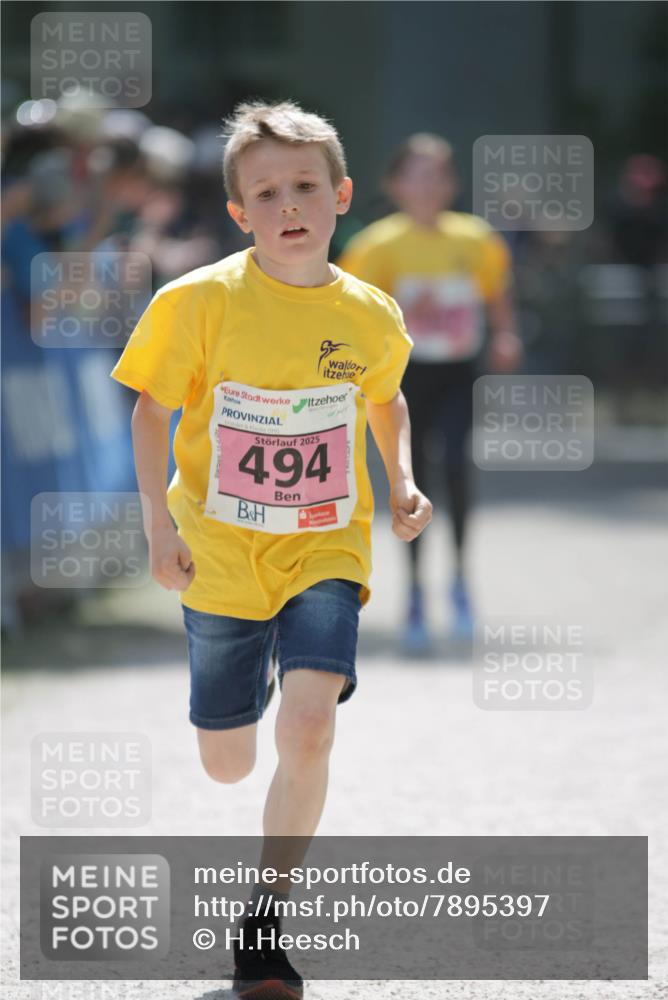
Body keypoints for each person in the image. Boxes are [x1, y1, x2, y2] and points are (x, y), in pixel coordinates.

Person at [110, 100, 432, 999]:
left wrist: (399, 477)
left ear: (341, 196)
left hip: (325, 548)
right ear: (241, 214)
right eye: (267, 193)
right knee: (228, 759)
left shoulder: (370, 313)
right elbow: (150, 408)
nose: (290, 205)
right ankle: (240, 683)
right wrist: (158, 529)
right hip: (218, 552)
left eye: (305, 187)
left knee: (311, 723)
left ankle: (264, 922)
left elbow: (385, 397)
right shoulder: (200, 300)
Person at [338, 133, 522, 650]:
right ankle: (416, 593)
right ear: (394, 184)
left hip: (460, 369)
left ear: (453, 183)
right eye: (418, 174)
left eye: (440, 174)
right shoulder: (375, 245)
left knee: (459, 465)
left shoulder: (476, 238)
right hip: (403, 379)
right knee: (408, 479)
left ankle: (460, 579)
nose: (429, 184)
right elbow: (352, 314)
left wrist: (506, 334)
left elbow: (496, 293)